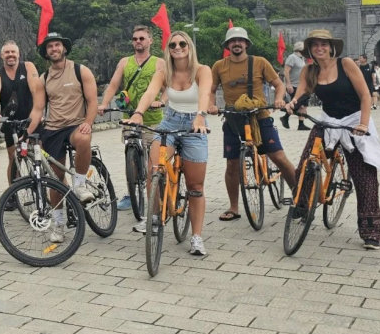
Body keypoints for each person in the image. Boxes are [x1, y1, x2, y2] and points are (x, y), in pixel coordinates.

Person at [285, 29, 380, 250]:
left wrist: (363, 124)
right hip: (328, 120)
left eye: (323, 44)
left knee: (365, 177)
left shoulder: (346, 65)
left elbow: (365, 95)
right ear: (310, 50)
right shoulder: (309, 70)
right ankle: (302, 205)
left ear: (331, 46)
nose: (319, 48)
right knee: (306, 163)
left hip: (354, 120)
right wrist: (291, 104)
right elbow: (300, 94)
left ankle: (371, 231)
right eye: (315, 45)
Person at [125, 31, 212, 255]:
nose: (178, 47)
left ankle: (196, 237)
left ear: (190, 47)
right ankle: (154, 217)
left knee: (195, 187)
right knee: (153, 169)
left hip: (194, 124)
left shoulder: (202, 71)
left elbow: (204, 94)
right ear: (168, 48)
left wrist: (200, 116)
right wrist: (138, 113)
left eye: (182, 43)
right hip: (170, 123)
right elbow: (149, 93)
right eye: (173, 44)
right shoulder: (164, 72)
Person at [207, 26, 296, 222]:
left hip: (259, 116)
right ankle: (233, 207)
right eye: (232, 41)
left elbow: (278, 85)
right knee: (231, 164)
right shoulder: (219, 66)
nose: (236, 44)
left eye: (240, 41)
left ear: (246, 44)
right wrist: (211, 105)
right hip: (232, 118)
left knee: (278, 157)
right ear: (228, 45)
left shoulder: (259, 62)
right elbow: (211, 89)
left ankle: (300, 196)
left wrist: (280, 99)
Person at [35, 33, 98, 242]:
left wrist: (88, 123)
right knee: (55, 180)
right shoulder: (43, 79)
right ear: (46, 53)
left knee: (83, 139)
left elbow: (92, 101)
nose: (54, 49)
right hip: (52, 129)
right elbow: (38, 109)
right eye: (50, 47)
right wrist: (27, 132)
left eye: (57, 45)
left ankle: (79, 183)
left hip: (75, 124)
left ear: (64, 48)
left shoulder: (81, 71)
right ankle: (59, 224)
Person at [98, 25, 166, 213]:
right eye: (135, 39)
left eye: (142, 38)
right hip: (130, 117)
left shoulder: (159, 63)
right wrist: (104, 103)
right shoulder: (124, 62)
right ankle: (131, 192)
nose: (138, 42)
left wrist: (162, 101)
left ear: (150, 41)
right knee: (131, 155)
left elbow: (168, 87)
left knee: (154, 161)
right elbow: (113, 84)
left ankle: (160, 190)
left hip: (152, 119)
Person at [0, 40, 43, 200]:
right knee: (13, 158)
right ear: (2, 55)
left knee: (39, 155)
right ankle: (12, 194)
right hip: (12, 123)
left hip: (32, 118)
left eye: (13, 52)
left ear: (18, 54)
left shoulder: (28, 67)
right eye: (7, 52)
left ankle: (43, 187)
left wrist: (37, 112)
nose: (10, 55)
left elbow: (35, 89)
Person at [280, 42, 310, 130]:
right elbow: (286, 71)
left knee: (303, 106)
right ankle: (286, 112)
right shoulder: (292, 57)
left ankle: (300, 124)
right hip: (294, 85)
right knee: (297, 102)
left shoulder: (302, 58)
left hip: (302, 85)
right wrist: (288, 84)